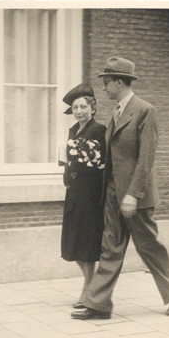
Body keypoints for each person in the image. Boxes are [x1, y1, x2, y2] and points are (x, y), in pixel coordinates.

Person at [71, 57, 169, 320]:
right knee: (110, 246)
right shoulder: (116, 112)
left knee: (147, 245)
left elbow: (146, 159)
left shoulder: (145, 111)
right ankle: (98, 304)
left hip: (136, 195)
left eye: (107, 82)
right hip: (112, 192)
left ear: (120, 82)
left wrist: (133, 193)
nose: (104, 88)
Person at [61, 83, 106, 309]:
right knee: (74, 243)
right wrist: (67, 174)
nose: (79, 111)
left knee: (87, 245)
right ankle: (90, 285)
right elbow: (68, 159)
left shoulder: (99, 130)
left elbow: (102, 165)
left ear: (92, 108)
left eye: (83, 107)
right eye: (76, 107)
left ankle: (88, 289)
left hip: (90, 193)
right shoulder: (72, 131)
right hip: (74, 192)